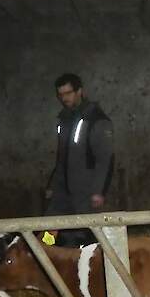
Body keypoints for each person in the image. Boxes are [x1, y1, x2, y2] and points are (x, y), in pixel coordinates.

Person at [44, 73, 114, 246]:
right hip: (63, 189)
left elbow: (105, 158)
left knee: (83, 235)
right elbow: (62, 157)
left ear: (79, 91)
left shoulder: (96, 120)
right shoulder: (64, 120)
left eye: (68, 93)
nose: (64, 98)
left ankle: (83, 266)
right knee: (48, 232)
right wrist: (53, 184)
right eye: (61, 95)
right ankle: (51, 260)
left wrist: (99, 191)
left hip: (85, 190)